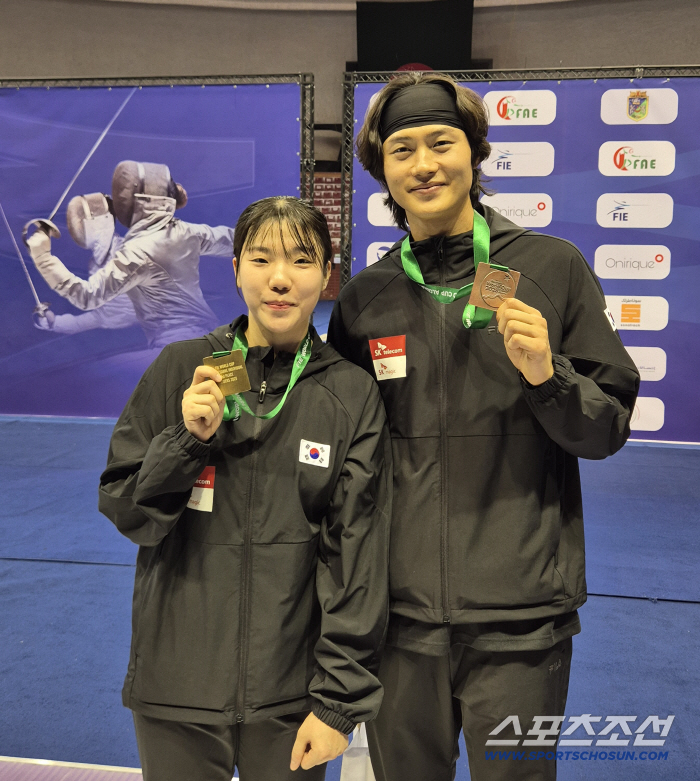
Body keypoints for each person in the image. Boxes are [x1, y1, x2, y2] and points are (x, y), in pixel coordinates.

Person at [328, 73, 640, 781]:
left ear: (475, 151)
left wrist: (546, 375)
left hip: (521, 621)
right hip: (400, 620)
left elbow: (606, 427)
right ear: (383, 169)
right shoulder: (364, 300)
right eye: (402, 149)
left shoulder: (549, 268)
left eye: (442, 142)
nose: (425, 164)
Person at [98, 196, 391, 781]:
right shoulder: (183, 368)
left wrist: (336, 702)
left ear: (328, 276)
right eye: (261, 259)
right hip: (176, 691)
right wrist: (185, 441)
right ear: (235, 269)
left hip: (290, 703)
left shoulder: (351, 393)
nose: (280, 279)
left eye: (301, 260)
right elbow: (129, 511)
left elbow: (356, 557)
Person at [27, 161, 234, 348]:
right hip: (213, 341)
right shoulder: (187, 232)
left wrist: (43, 258)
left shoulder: (135, 253)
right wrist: (58, 323)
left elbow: (90, 297)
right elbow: (237, 240)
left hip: (177, 348)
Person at [33, 192, 138, 335]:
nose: (78, 229)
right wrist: (54, 322)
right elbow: (95, 316)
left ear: (103, 222)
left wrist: (45, 260)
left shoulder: (129, 253)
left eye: (83, 222)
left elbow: (84, 297)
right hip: (117, 327)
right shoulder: (95, 265)